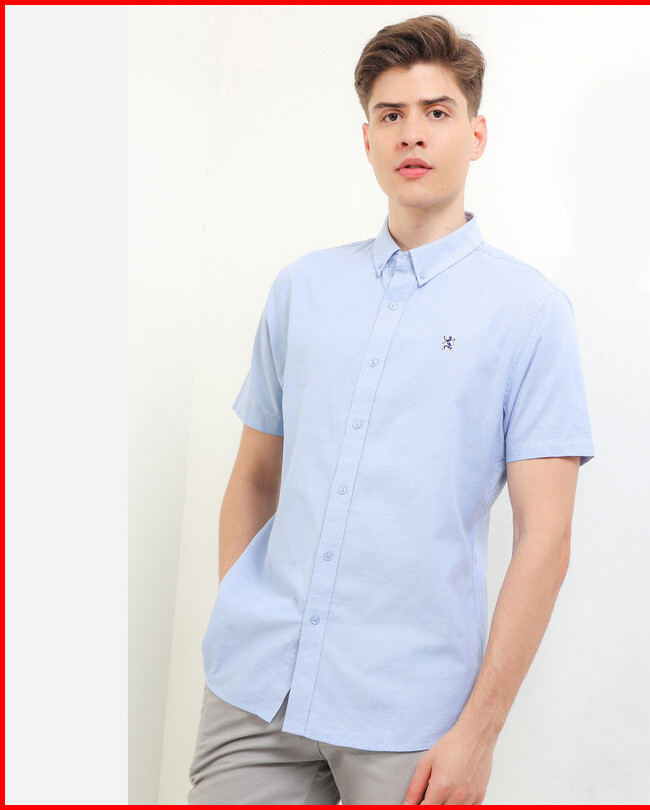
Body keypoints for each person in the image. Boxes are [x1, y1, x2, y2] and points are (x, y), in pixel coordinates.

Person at [187, 13, 595, 806]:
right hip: (254, 691)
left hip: (412, 719)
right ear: (368, 138)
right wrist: (241, 612)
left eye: (437, 111)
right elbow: (255, 475)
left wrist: (478, 734)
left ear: (477, 134)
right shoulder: (302, 289)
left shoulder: (530, 313)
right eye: (391, 114)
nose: (413, 133)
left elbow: (546, 539)